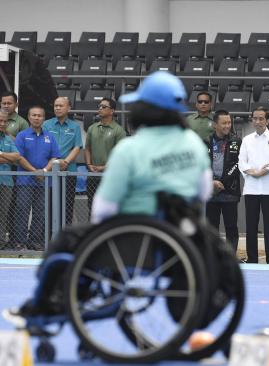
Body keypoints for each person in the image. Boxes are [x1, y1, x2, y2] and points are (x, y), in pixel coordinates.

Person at [4, 71, 214, 322]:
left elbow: (104, 207)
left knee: (66, 239)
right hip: (176, 238)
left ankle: (46, 303)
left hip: (131, 239)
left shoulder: (131, 148)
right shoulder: (193, 144)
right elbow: (203, 192)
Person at [238, 106, 269, 264]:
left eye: (261, 118)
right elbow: (241, 162)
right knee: (251, 226)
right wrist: (253, 173)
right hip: (251, 189)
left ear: (267, 120)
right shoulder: (246, 139)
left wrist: (263, 172)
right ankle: (252, 259)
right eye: (255, 118)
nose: (257, 121)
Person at [15, 106, 61, 249]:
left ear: (44, 118)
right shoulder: (22, 135)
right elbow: (19, 157)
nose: (36, 118)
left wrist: (45, 170)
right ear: (28, 117)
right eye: (34, 115)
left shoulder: (50, 136)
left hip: (44, 181)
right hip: (25, 181)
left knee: (40, 211)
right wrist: (35, 171)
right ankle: (20, 241)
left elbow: (55, 157)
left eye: (39, 116)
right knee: (22, 210)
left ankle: (34, 241)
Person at [43, 97, 83, 226]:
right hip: (49, 171)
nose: (58, 108)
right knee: (49, 205)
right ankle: (49, 238)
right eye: (56, 106)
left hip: (68, 172)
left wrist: (65, 162)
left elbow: (77, 147)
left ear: (69, 108)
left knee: (67, 206)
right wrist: (53, 163)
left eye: (61, 106)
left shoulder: (75, 127)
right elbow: (43, 145)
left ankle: (64, 239)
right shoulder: (46, 124)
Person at [84, 98, 127, 218]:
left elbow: (121, 155)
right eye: (99, 106)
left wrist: (103, 167)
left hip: (110, 177)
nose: (100, 108)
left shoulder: (119, 131)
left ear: (112, 111)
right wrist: (89, 165)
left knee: (110, 210)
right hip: (93, 175)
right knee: (92, 208)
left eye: (104, 107)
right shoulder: (92, 128)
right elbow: (87, 148)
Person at [206, 110, 241, 253]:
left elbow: (238, 164)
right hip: (211, 192)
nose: (227, 125)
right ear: (215, 124)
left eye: (229, 122)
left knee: (231, 227)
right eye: (224, 123)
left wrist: (222, 182)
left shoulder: (236, 141)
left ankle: (231, 258)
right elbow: (202, 165)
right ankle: (213, 258)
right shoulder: (206, 141)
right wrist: (212, 182)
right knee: (211, 228)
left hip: (230, 192)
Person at [0, 111, 34, 247]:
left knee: (3, 214)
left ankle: (1, 242)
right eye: (0, 121)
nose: (2, 124)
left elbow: (17, 156)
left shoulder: (8, 139)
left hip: (6, 182)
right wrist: (8, 157)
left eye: (5, 121)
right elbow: (12, 157)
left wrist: (1, 153)